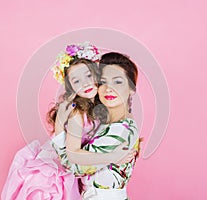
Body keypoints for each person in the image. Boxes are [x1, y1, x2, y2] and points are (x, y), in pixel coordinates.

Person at [1, 43, 134, 200]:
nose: (84, 83)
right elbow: (71, 154)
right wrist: (113, 156)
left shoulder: (100, 105)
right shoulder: (77, 112)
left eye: (88, 76)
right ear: (70, 87)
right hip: (59, 165)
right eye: (76, 81)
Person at [52, 52, 141, 199]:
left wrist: (59, 126)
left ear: (131, 88)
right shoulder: (102, 122)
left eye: (118, 82)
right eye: (103, 82)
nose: (108, 89)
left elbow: (73, 166)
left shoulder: (121, 130)